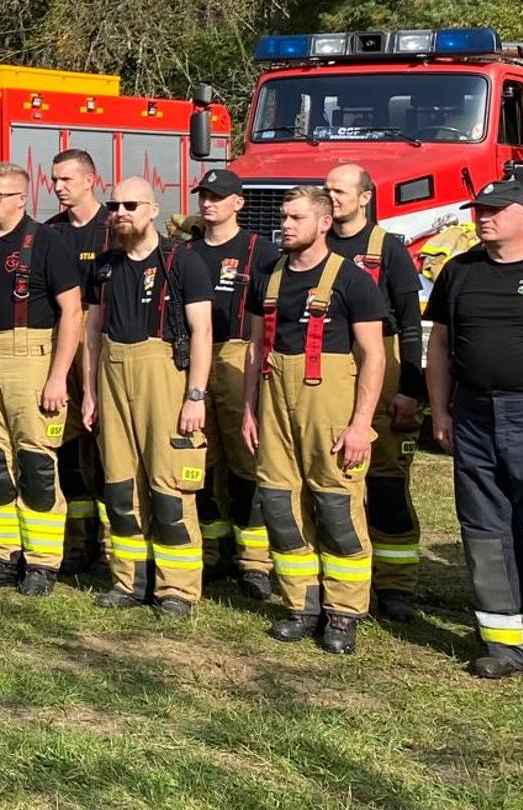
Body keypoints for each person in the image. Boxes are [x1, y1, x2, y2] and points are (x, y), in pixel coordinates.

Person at [244, 186, 386, 655]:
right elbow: (252, 348)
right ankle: (301, 606)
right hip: (274, 399)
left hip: (329, 403)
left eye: (296, 218)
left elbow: (373, 356)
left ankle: (343, 613)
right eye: (283, 217)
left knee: (336, 506)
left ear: (324, 223)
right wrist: (249, 408)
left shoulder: (352, 281)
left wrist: (361, 423)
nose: (284, 225)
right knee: (280, 505)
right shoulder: (268, 275)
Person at [81, 177, 215, 618]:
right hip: (112, 375)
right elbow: (91, 335)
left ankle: (176, 588)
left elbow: (202, 333)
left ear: (153, 210)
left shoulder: (183, 262)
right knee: (119, 486)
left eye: (131, 205)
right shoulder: (103, 266)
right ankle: (128, 579)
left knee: (169, 487)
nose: (120, 212)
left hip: (165, 375)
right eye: (114, 204)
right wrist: (89, 393)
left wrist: (195, 396)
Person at [0, 161, 83, 595]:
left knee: (36, 464)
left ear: (21, 199)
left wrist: (58, 376)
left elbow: (72, 311)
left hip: (31, 359)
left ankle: (42, 563)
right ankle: (3, 555)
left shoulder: (46, 242)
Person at [426, 175, 523, 678]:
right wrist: (440, 411)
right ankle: (503, 642)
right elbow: (439, 346)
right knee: (485, 528)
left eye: (495, 209)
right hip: (474, 414)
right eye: (479, 209)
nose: (482, 216)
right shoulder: (459, 271)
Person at [325, 164, 427, 623]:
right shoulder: (315, 242)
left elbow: (409, 324)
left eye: (340, 191)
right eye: (326, 190)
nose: (332, 198)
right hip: (326, 369)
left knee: (386, 486)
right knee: (333, 483)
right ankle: (344, 582)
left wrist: (409, 391)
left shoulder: (388, 249)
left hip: (382, 370)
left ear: (365, 196)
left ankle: (396, 587)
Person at [179, 169, 280, 599]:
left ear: (239, 203)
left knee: (245, 462)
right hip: (192, 360)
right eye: (204, 196)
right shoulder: (186, 253)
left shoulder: (261, 252)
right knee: (204, 461)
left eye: (218, 197)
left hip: (238, 355)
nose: (208, 204)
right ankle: (214, 548)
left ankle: (255, 560)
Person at [45, 148, 107, 574]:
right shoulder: (50, 233)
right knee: (64, 443)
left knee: (104, 445)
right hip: (59, 342)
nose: (58, 187)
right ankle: (78, 538)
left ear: (90, 180)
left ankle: (110, 543)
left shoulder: (113, 228)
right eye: (54, 179)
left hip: (102, 343)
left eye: (66, 179)